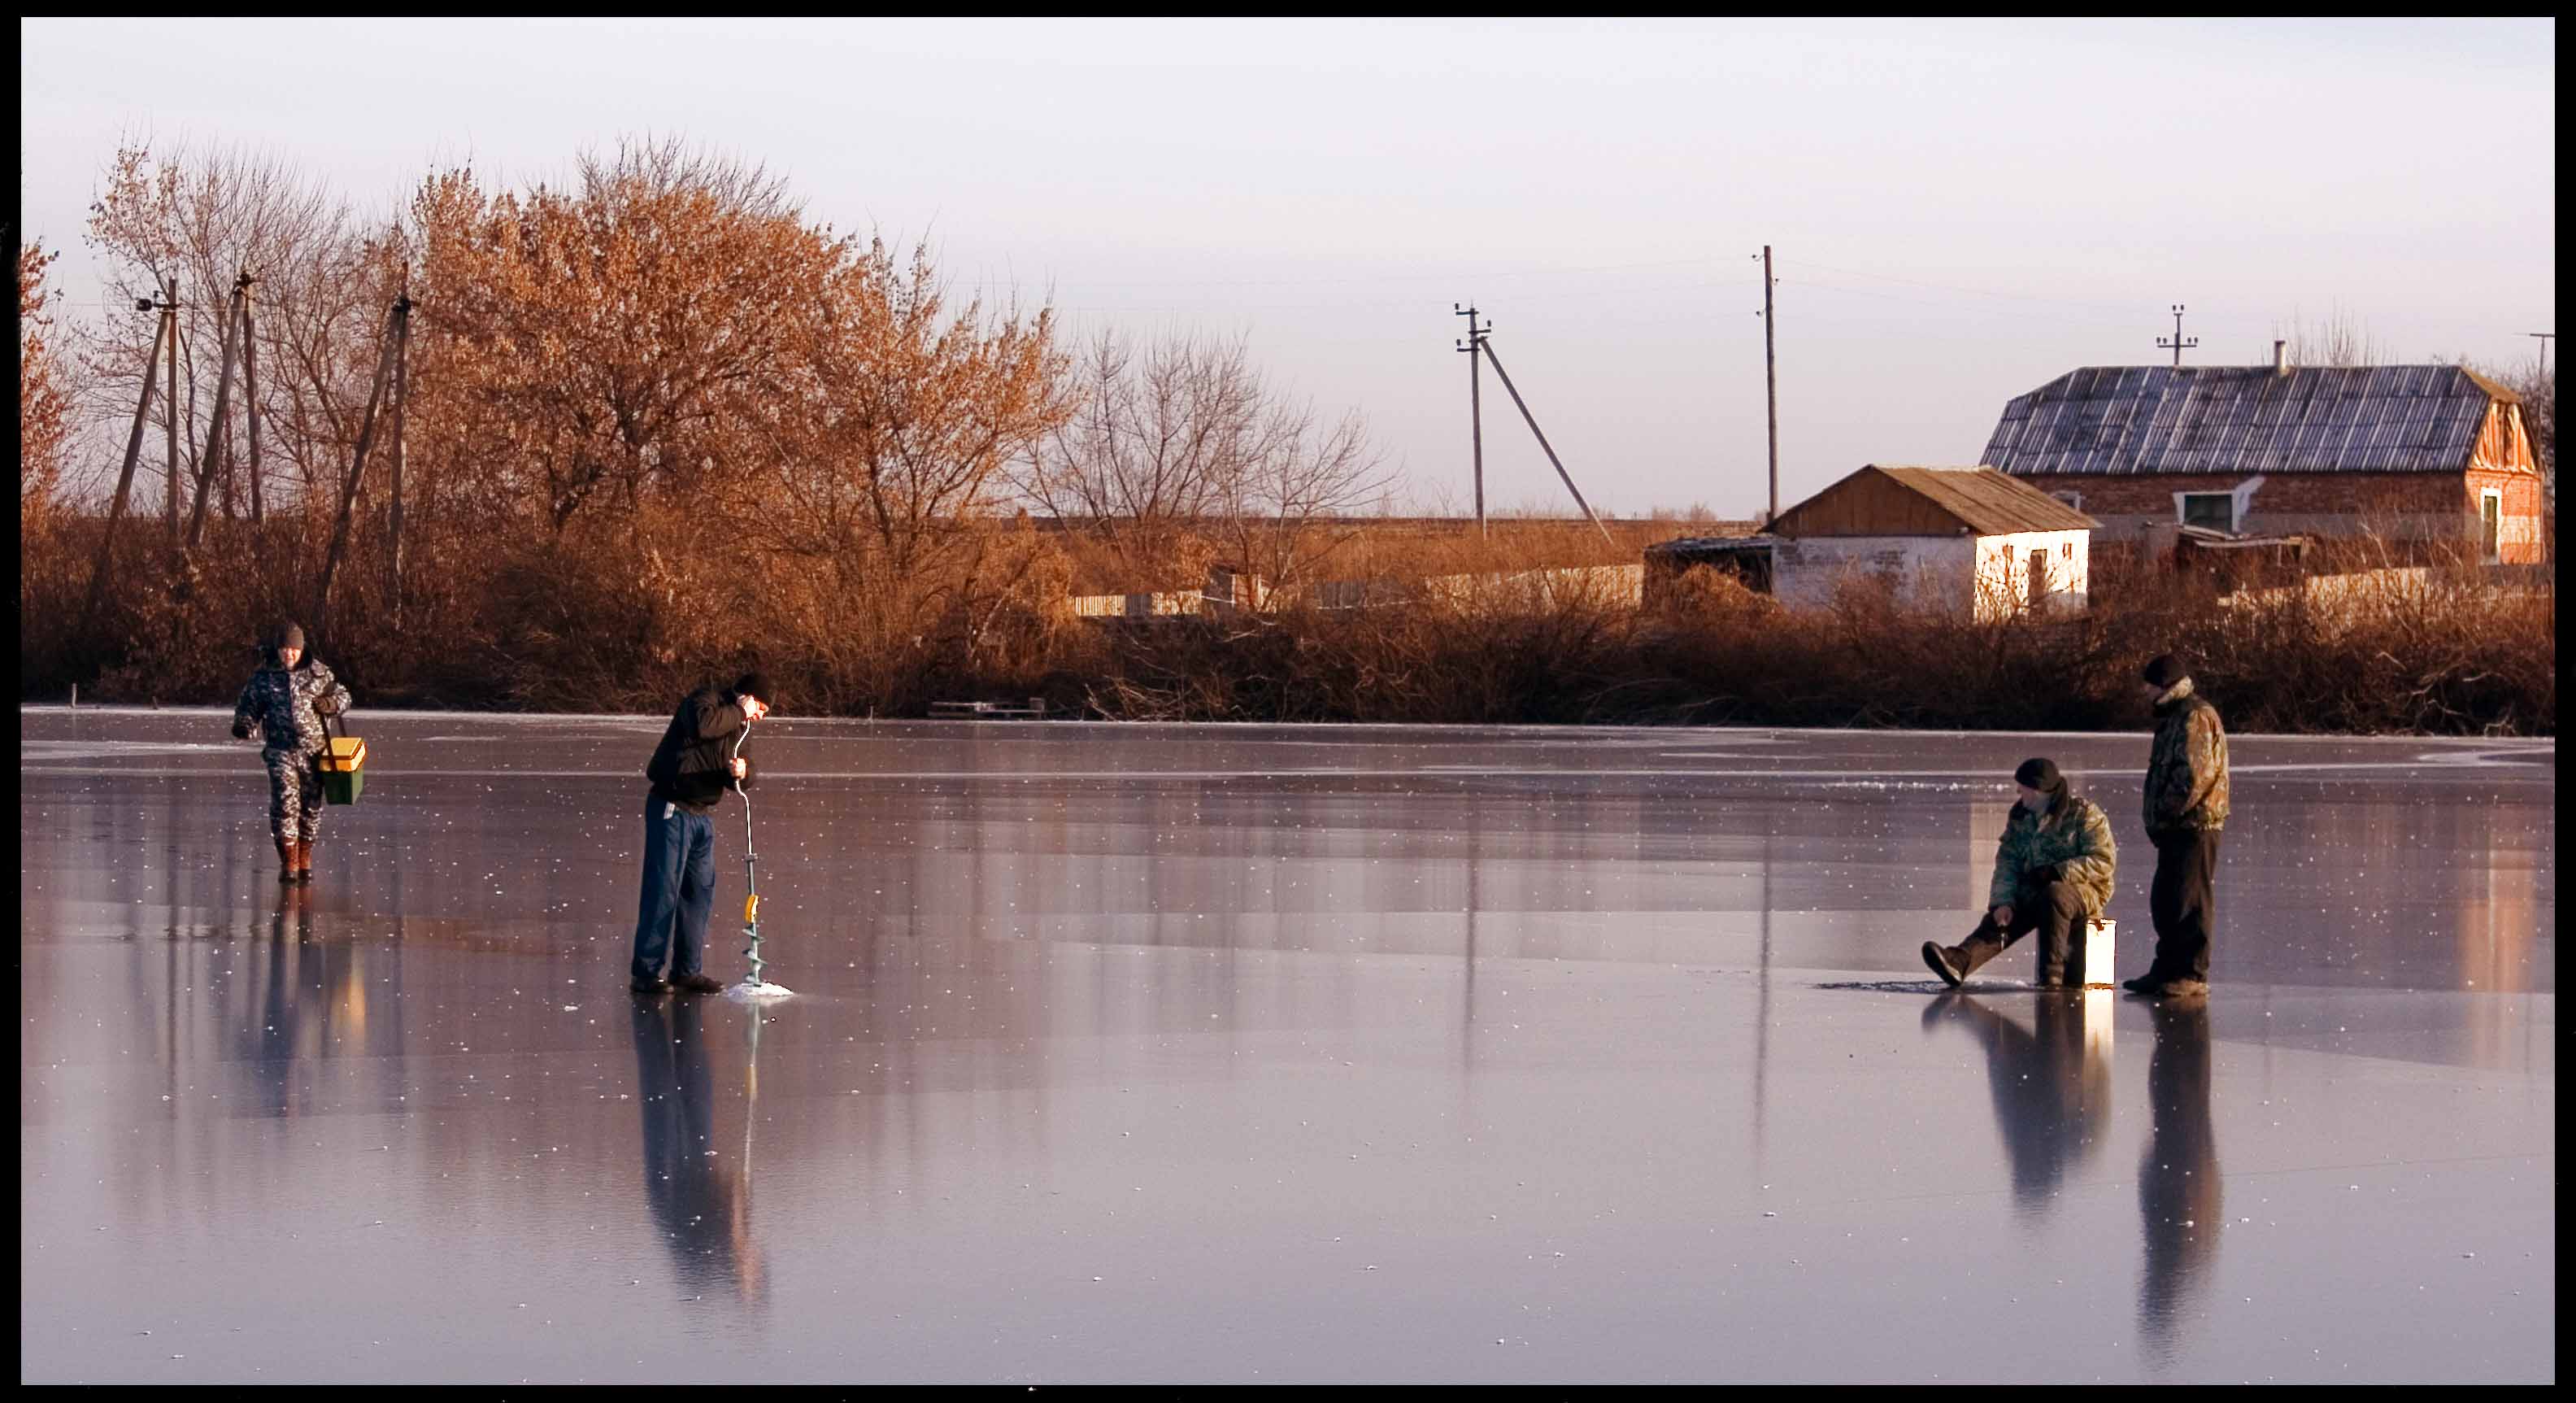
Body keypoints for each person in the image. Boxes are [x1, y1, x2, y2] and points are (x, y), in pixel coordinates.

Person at [630, 671, 772, 996]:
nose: (760, 716)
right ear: (746, 697)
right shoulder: (703, 702)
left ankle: (686, 971)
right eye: (760, 707)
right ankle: (646, 973)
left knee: (699, 893)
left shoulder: (740, 725)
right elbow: (703, 727)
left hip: (702, 815)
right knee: (663, 890)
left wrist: (743, 772)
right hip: (671, 808)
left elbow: (744, 766)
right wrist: (739, 712)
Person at [1923, 757, 2117, 988]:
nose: (2018, 792)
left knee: (2054, 894)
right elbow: (2008, 862)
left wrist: (2058, 872)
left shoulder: (2084, 814)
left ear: (2037, 790)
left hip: (2086, 892)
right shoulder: (2020, 818)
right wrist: (2002, 903)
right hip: (2037, 886)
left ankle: (2052, 974)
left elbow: (2102, 860)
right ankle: (1960, 960)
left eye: (2022, 787)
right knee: (2010, 910)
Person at [2125, 654, 2228, 1000]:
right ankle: (2167, 968)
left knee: (2190, 900)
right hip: (2175, 827)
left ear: (2164, 685)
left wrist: (2165, 813)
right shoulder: (2173, 717)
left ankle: (2191, 973)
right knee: (2167, 900)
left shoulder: (2194, 716)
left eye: (2149, 684)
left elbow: (2193, 778)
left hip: (2194, 825)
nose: (2144, 691)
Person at [229, 621, 351, 884]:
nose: (289, 654)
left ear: (301, 648)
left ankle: (305, 857)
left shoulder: (320, 674)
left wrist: (330, 703)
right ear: (278, 650)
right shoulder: (264, 678)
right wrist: (244, 724)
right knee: (285, 804)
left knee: (310, 807)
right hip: (280, 751)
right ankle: (289, 862)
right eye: (284, 649)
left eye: (293, 649)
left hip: (315, 752)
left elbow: (344, 697)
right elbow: (248, 706)